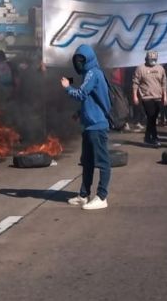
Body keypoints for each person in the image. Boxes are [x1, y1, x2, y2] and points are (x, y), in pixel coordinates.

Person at [61, 44, 112, 210]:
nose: (79, 63)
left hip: (97, 125)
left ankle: (102, 196)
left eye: (81, 60)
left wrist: (67, 87)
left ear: (88, 59)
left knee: (102, 162)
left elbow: (81, 94)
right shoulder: (89, 74)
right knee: (88, 161)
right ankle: (84, 195)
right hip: (89, 125)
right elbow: (90, 99)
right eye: (77, 60)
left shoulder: (92, 73)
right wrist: (79, 112)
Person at [132, 51, 167, 147]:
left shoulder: (160, 68)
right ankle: (154, 138)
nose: (153, 61)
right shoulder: (140, 68)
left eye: (155, 59)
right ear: (147, 59)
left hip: (158, 97)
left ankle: (147, 137)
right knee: (151, 117)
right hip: (146, 97)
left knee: (153, 118)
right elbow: (135, 83)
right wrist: (135, 96)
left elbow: (164, 83)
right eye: (151, 59)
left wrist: (165, 96)